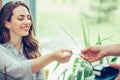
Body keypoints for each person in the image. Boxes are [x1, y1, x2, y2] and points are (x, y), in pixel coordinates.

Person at [0, 1, 72, 80]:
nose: (27, 22)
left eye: (28, 18)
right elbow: (18, 70)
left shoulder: (33, 49)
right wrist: (52, 56)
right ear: (7, 23)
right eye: (20, 18)